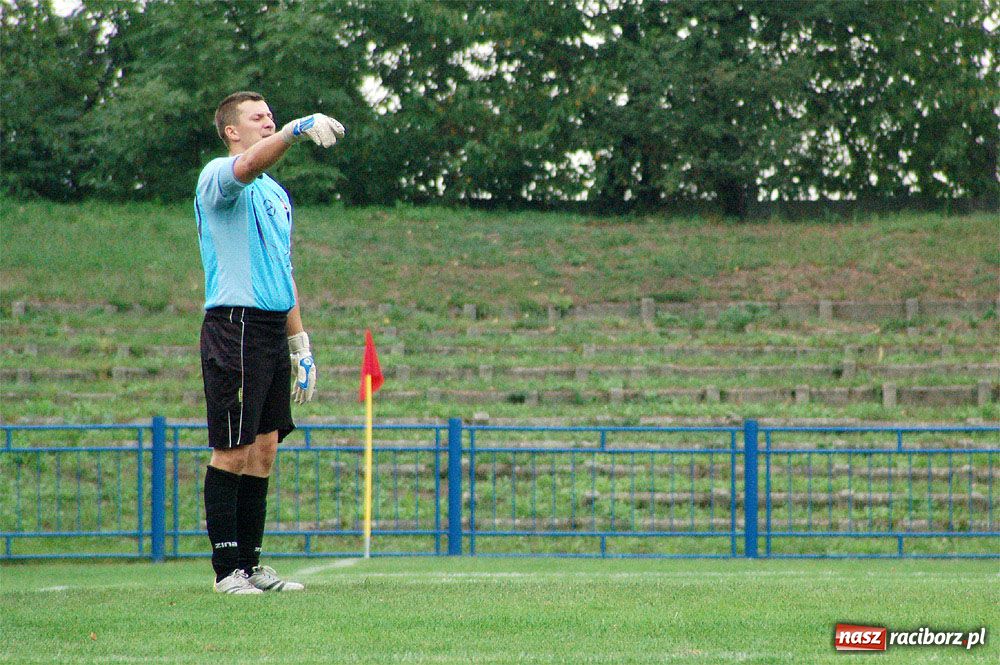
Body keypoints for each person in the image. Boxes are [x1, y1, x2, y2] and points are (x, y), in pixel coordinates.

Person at [195, 91, 344, 594]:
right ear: (232, 131)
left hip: (271, 329)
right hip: (234, 325)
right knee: (233, 449)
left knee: (264, 450)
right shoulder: (218, 176)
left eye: (271, 116)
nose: (268, 121)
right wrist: (293, 130)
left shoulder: (277, 195)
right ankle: (227, 572)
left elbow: (284, 269)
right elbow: (250, 164)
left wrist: (300, 342)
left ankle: (252, 564)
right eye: (257, 117)